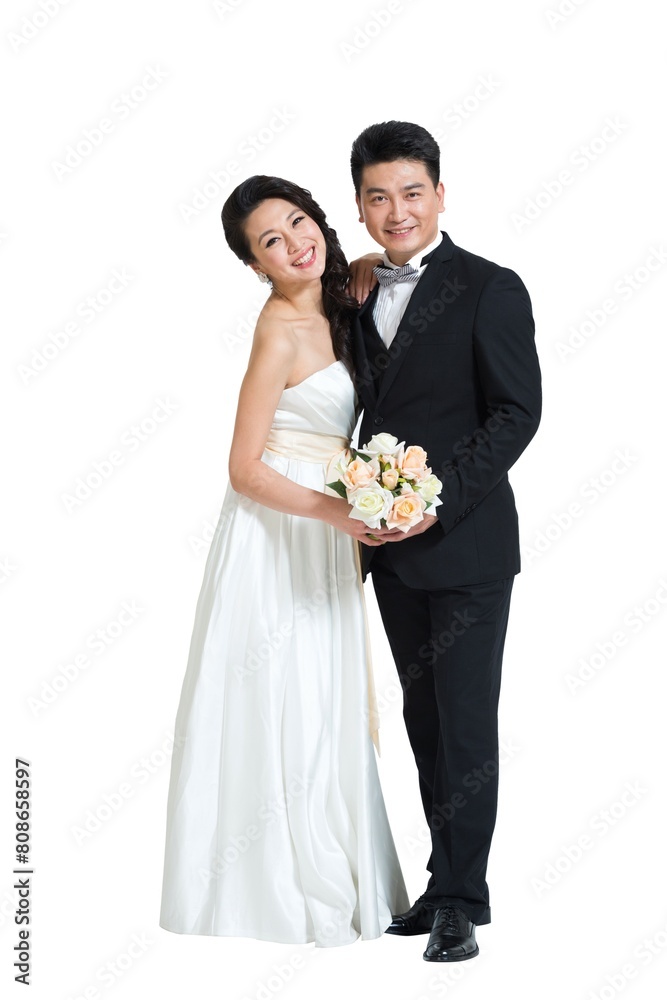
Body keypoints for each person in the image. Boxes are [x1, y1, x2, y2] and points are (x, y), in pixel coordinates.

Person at [158, 175, 409, 947]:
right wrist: (339, 513)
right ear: (253, 264)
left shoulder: (339, 293)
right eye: (272, 240)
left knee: (325, 686)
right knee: (284, 687)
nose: (295, 243)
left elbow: (377, 261)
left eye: (299, 222)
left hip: (325, 521)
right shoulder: (277, 330)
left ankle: (340, 849)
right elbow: (243, 469)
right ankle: (269, 882)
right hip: (278, 527)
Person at [346, 121, 542, 962]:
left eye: (411, 192)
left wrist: (438, 500)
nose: (397, 211)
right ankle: (443, 882)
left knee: (463, 724)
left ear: (439, 194)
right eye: (378, 197)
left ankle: (463, 898)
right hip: (387, 551)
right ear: (359, 207)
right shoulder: (355, 292)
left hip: (465, 545)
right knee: (422, 720)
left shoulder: (490, 287)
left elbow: (516, 412)